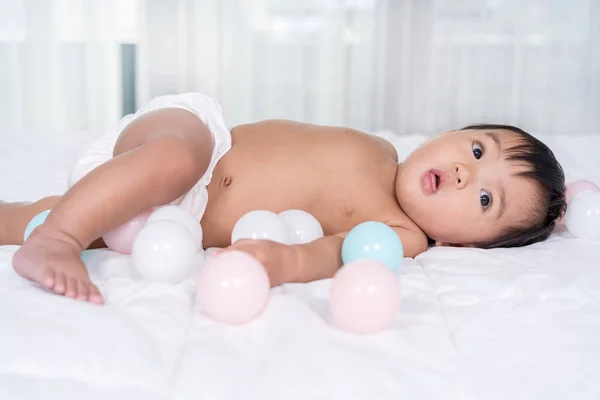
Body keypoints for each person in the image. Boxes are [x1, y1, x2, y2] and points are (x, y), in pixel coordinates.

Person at [2, 93, 566, 304]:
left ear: (466, 243)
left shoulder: (404, 236)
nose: (466, 173)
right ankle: (59, 240)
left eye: (488, 199)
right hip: (199, 136)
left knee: (44, 214)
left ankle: (44, 229)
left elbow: (334, 253)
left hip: (173, 216)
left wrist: (285, 261)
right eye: (475, 148)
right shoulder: (379, 148)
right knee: (173, 162)